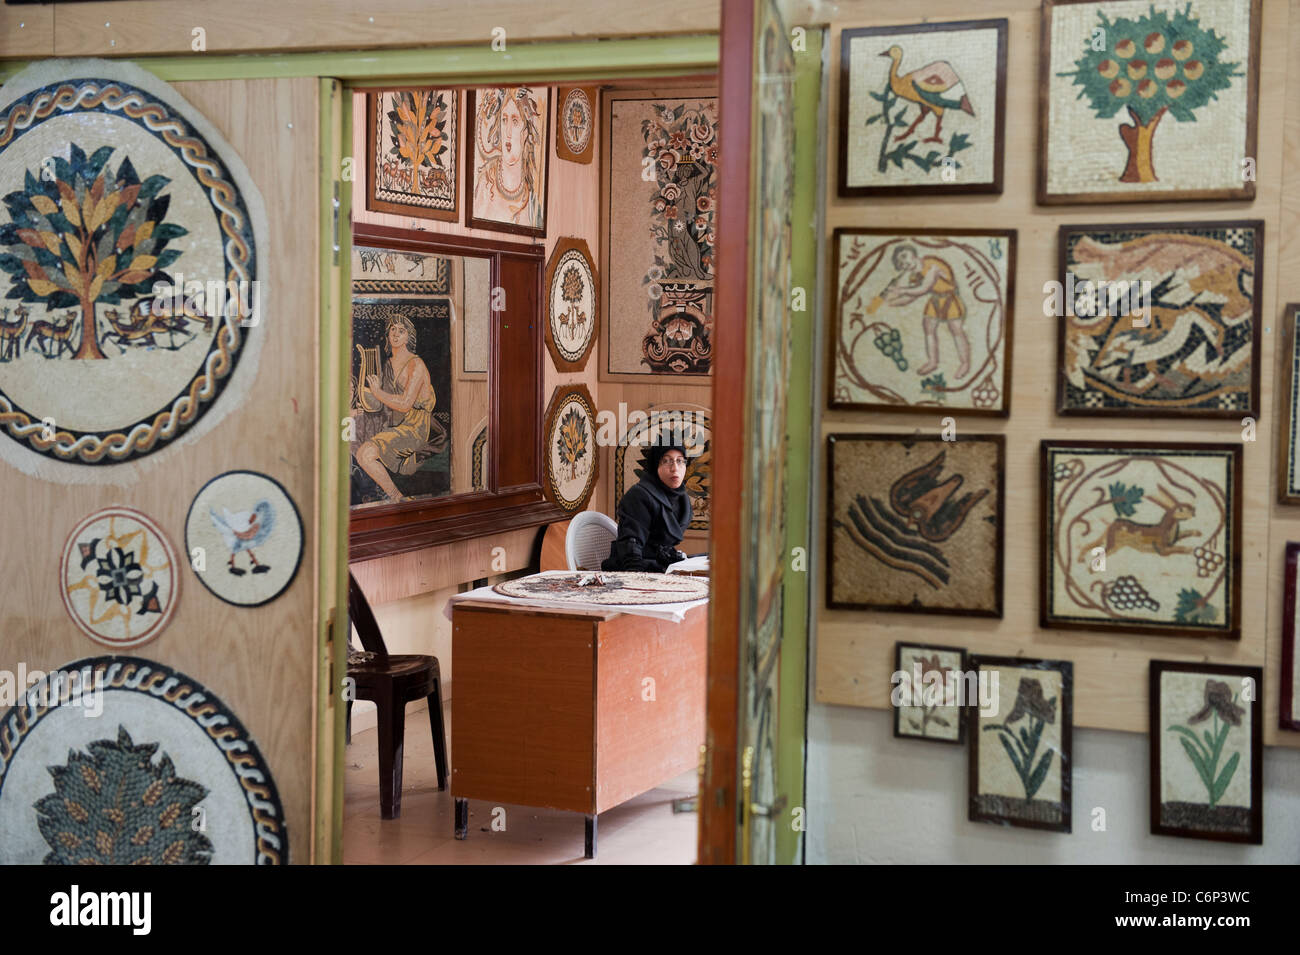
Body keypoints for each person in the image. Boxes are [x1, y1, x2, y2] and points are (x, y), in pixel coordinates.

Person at [602, 441, 693, 573]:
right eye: (666, 461)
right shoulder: (639, 496)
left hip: (662, 568)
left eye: (680, 461)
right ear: (655, 465)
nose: (675, 468)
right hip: (633, 570)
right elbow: (631, 549)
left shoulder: (682, 498)